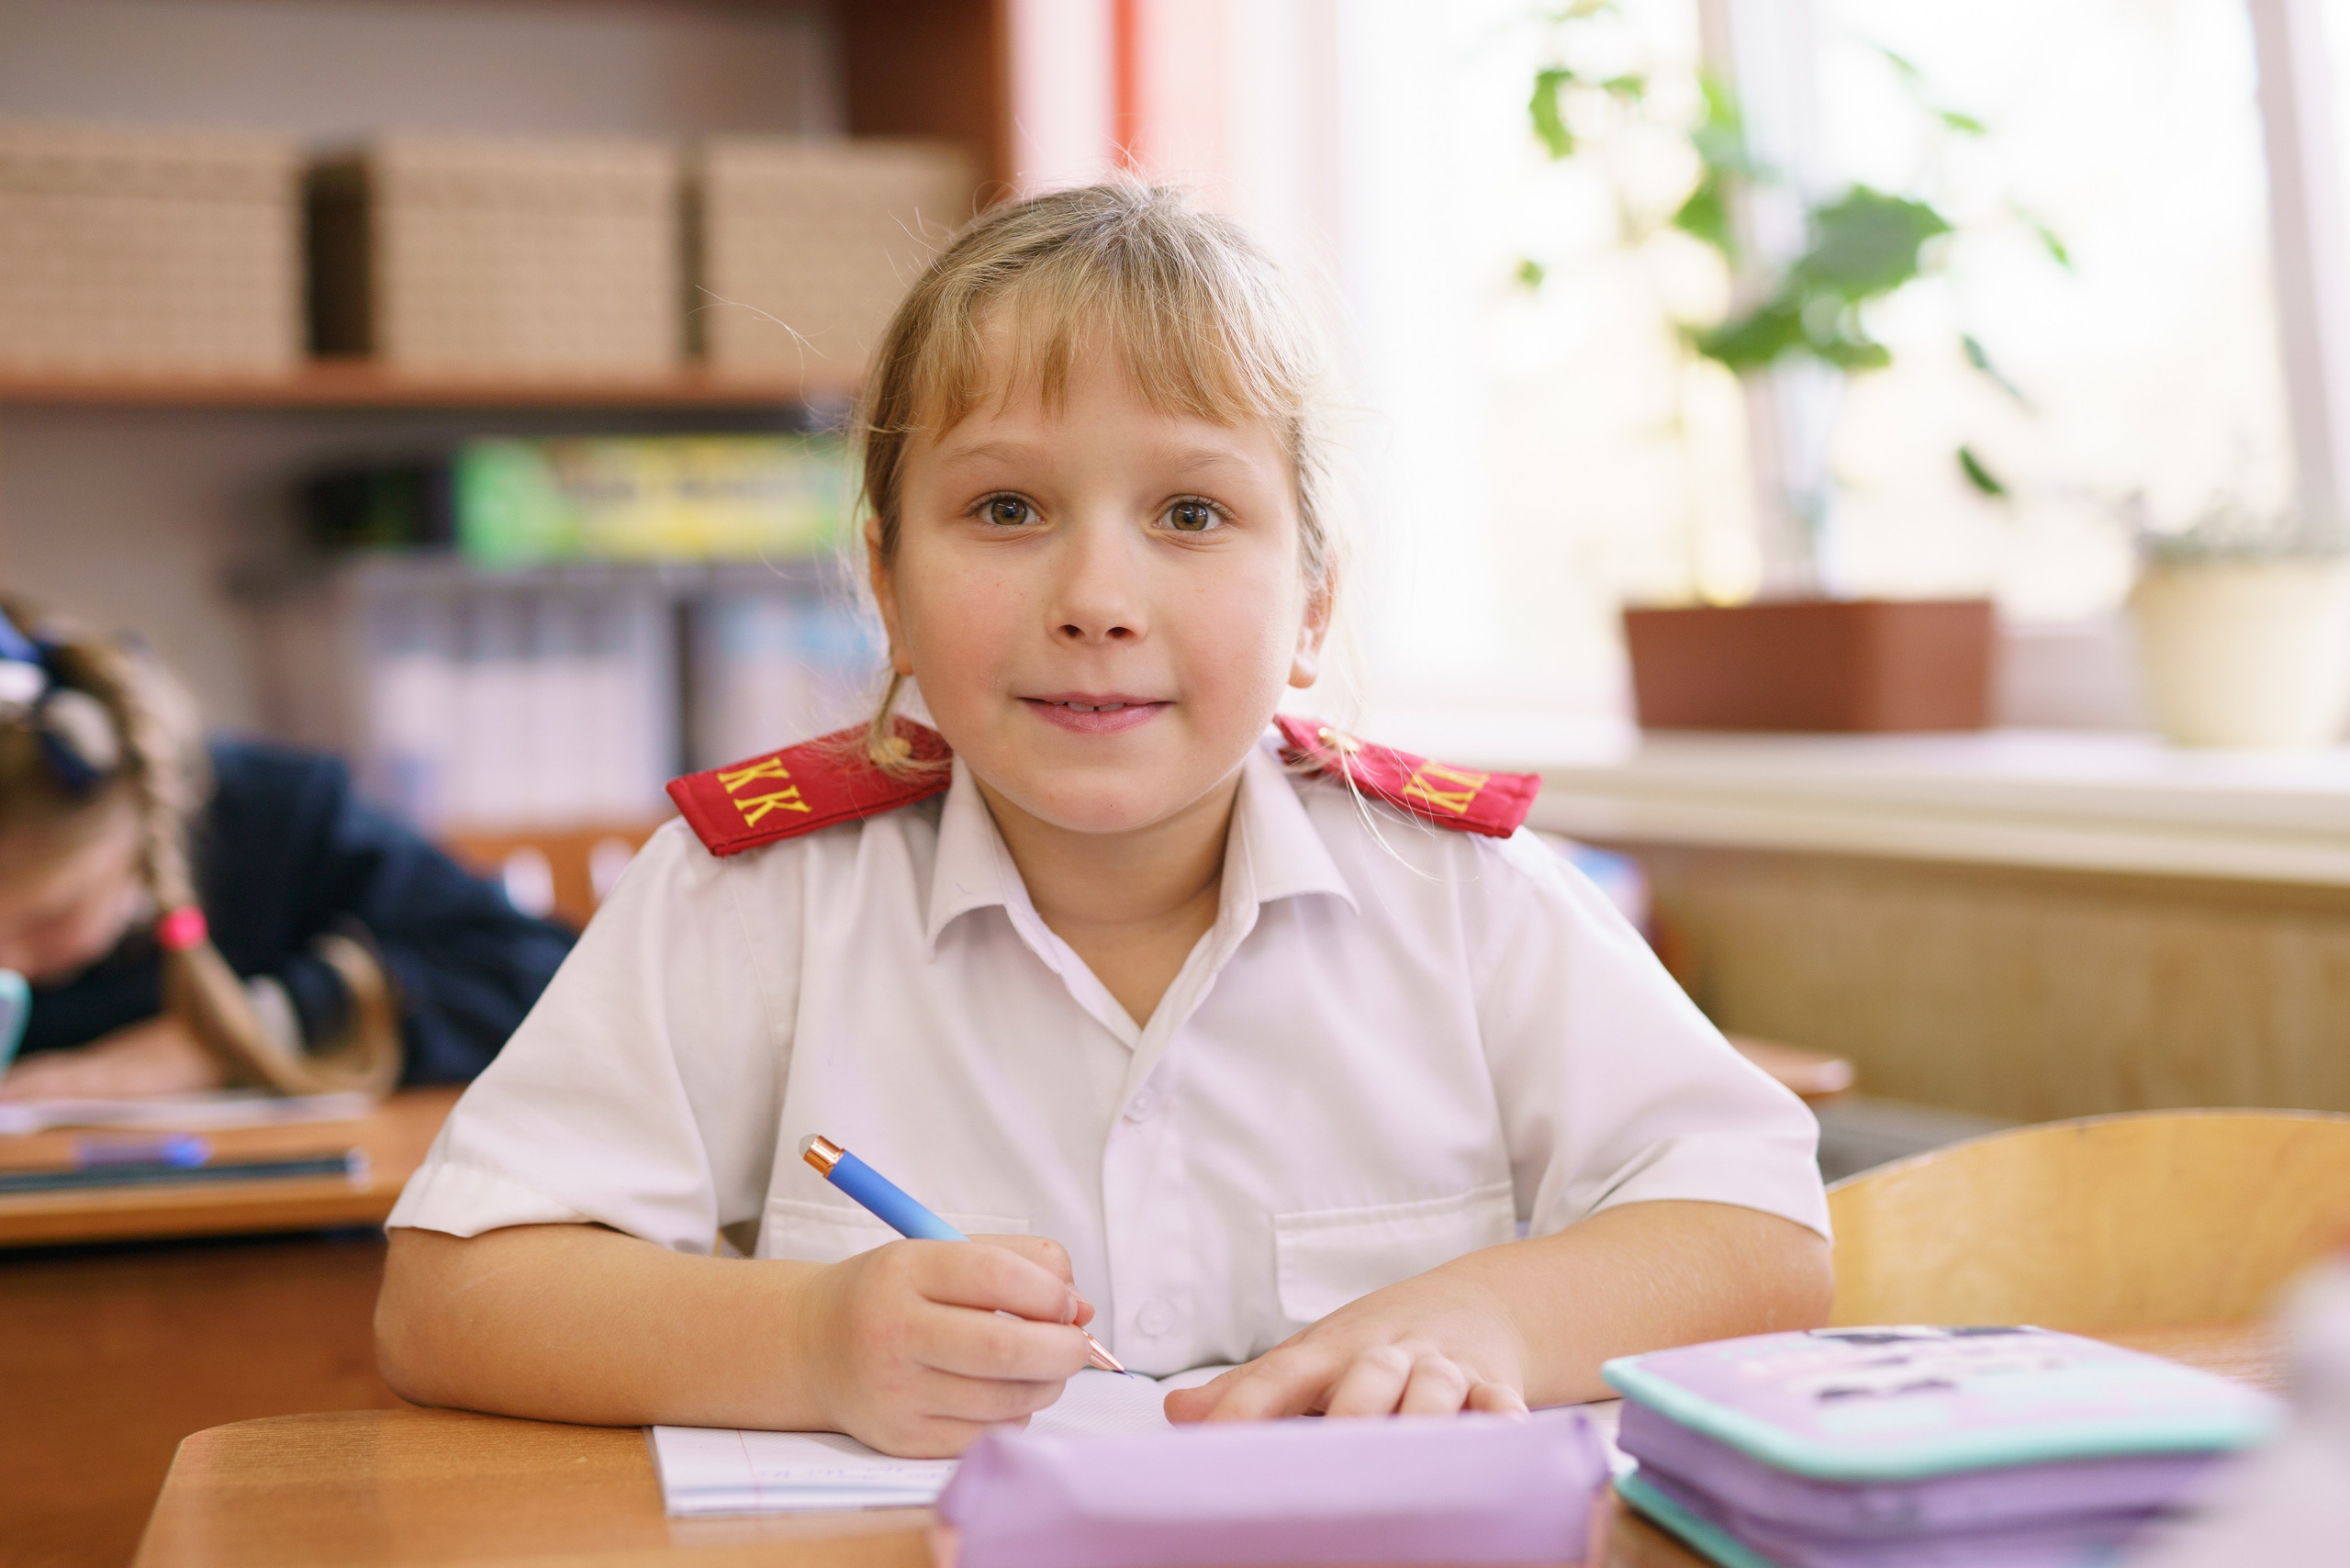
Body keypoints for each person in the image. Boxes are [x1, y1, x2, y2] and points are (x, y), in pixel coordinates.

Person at [376, 182, 1832, 1457]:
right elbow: (454, 1297)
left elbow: (1762, 1237)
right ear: (884, 585)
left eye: (1192, 516)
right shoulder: (751, 894)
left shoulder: (1459, 889)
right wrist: (809, 1340)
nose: (1095, 601)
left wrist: (1487, 1321)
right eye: (1006, 510)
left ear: (1313, 601)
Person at [0, 599, 573, 1101]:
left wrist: (243, 1034)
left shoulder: (281, 818)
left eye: (47, 919)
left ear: (139, 837)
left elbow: (542, 979)